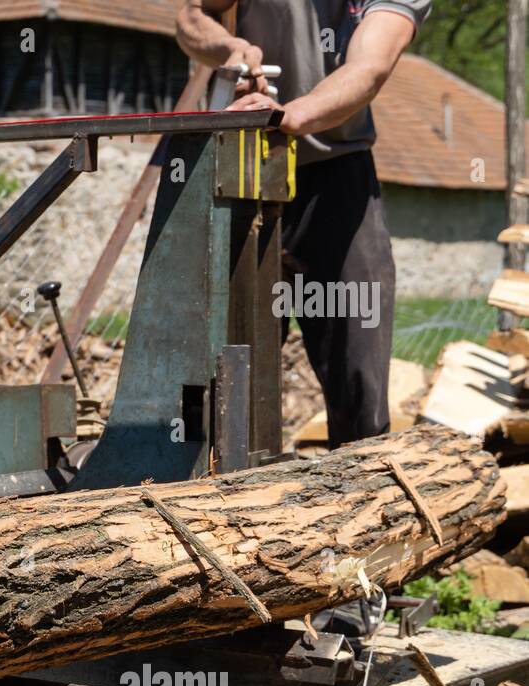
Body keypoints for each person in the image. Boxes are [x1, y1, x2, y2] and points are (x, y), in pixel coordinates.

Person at [176, 0, 431, 447]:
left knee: (359, 385)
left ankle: (363, 492)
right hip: (240, 171)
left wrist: (291, 115)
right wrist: (230, 48)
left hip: (334, 180)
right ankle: (214, 498)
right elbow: (191, 19)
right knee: (221, 385)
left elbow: (370, 67)